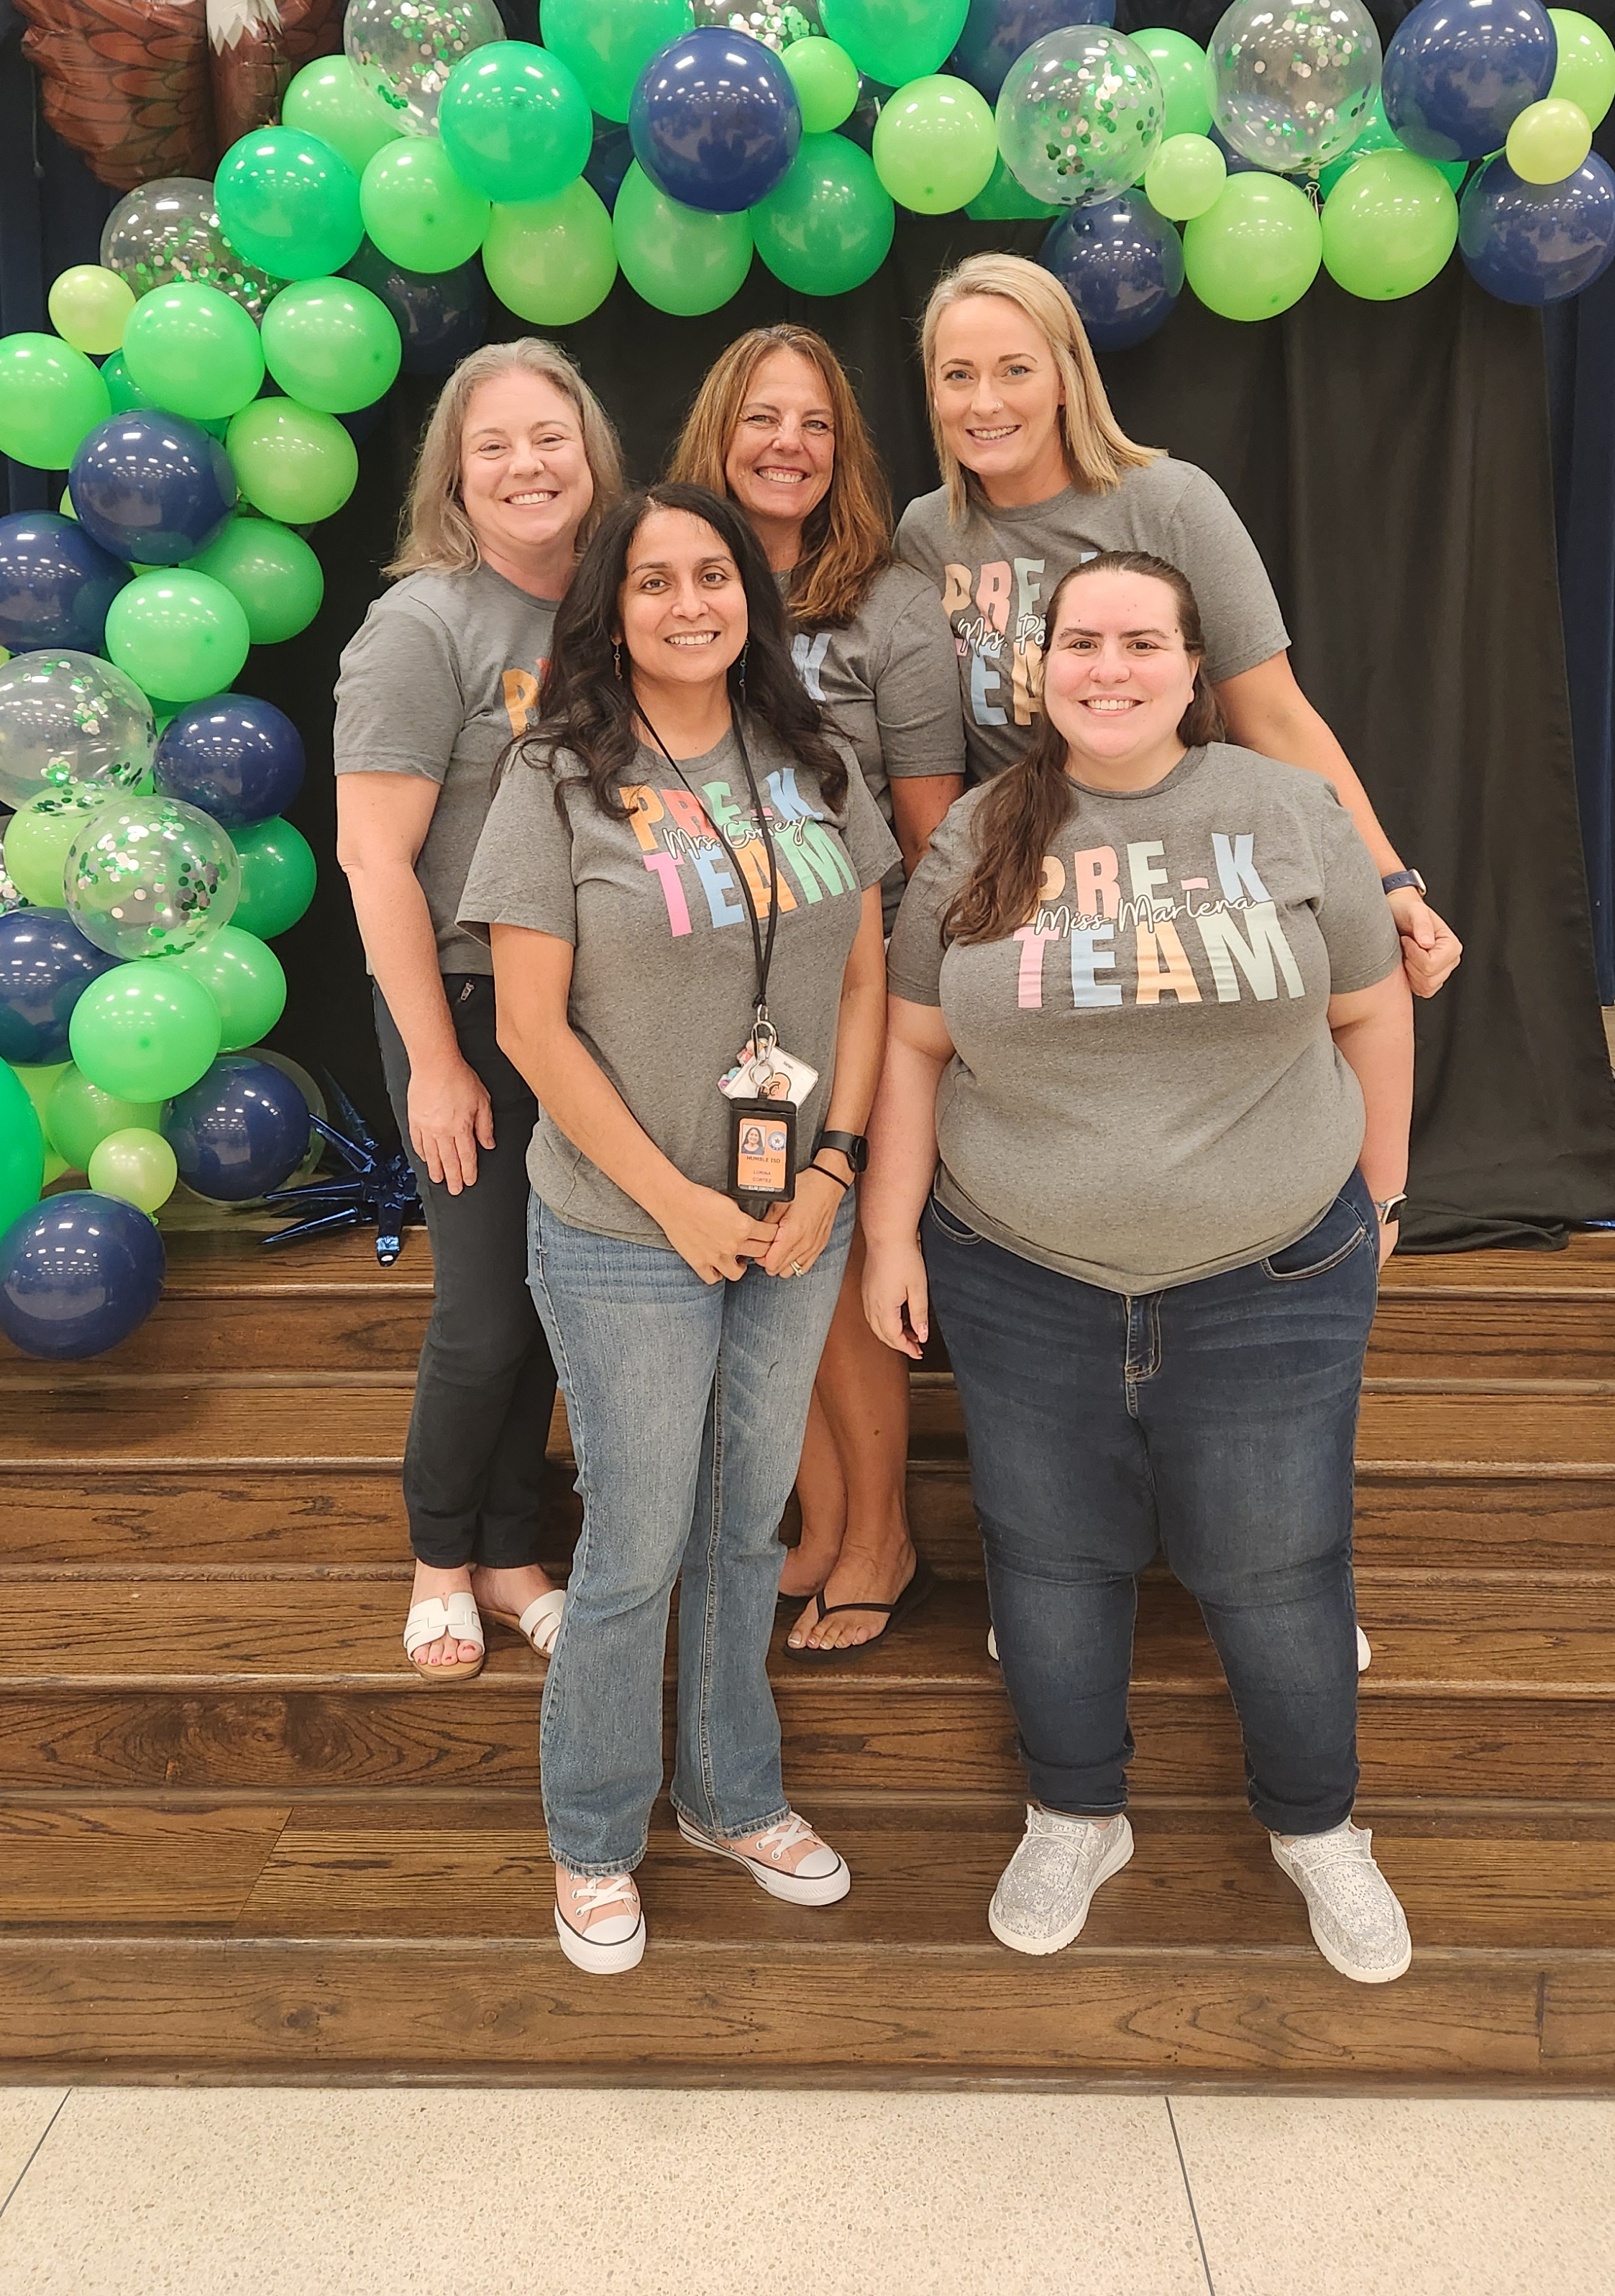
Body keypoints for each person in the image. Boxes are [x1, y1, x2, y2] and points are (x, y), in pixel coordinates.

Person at [865, 549, 1416, 1982]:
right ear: (1038, 669)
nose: (1111, 666)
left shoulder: (1290, 809)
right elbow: (916, 1044)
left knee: (1278, 1568)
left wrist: (1386, 1191)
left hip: (1272, 1275)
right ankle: (1075, 1810)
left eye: (1144, 641)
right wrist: (885, 1235)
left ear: (1191, 665)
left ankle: (1318, 1827)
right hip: (1019, 1272)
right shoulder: (983, 826)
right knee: (1050, 1562)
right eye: (1084, 642)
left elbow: (1372, 1008)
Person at [462, 483, 897, 1975]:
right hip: (623, 1226)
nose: (691, 602)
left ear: (750, 599)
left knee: (740, 1524)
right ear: (612, 605)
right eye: (655, 582)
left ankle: (732, 1794)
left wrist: (830, 1174)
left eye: (715, 574)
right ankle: (592, 1834)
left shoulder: (814, 757)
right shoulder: (557, 772)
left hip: (796, 1225)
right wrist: (682, 1201)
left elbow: (857, 984)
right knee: (638, 1540)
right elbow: (530, 1026)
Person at [895, 250, 1463, 1002]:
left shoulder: (1170, 503)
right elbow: (928, 756)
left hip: (1183, 869)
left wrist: (1388, 878)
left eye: (1016, 370)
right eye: (958, 374)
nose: (985, 402)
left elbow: (1277, 718)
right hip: (1028, 877)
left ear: (1067, 378)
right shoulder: (928, 533)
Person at [670, 326, 964, 1655]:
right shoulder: (675, 573)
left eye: (816, 425)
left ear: (843, 453)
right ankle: (827, 1522)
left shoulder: (891, 604)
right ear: (718, 434)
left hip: (855, 976)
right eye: (762, 419)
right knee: (768, 1256)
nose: (787, 445)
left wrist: (901, 997)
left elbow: (928, 823)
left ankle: (883, 1536)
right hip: (711, 983)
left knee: (836, 1262)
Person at [334, 338, 623, 1683]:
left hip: (585, 995)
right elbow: (374, 858)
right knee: (485, 1312)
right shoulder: (423, 625)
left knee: (556, 1298)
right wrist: (434, 1065)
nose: (526, 465)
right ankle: (440, 1556)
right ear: (457, 471)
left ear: (589, 449)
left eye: (547, 437)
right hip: (459, 997)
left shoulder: (619, 601)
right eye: (493, 444)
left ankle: (516, 1557)